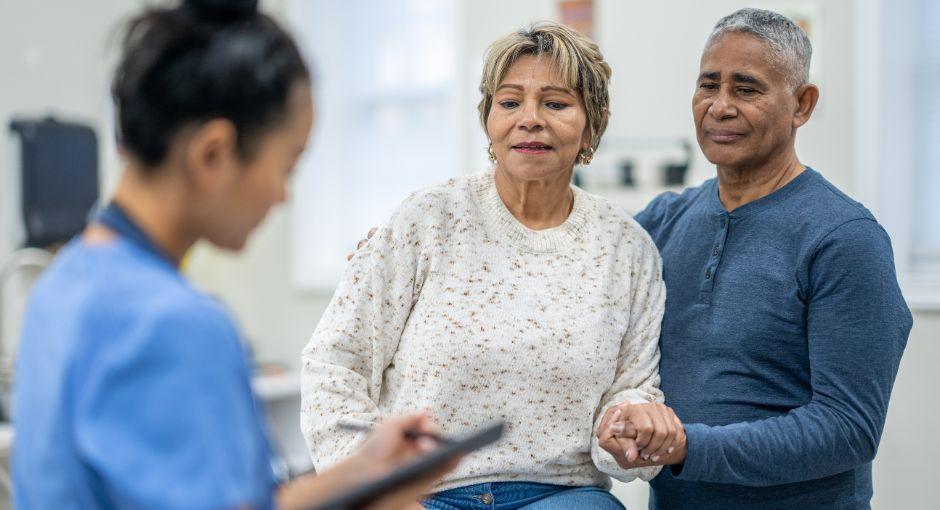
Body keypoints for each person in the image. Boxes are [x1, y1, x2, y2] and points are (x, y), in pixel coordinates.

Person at [12, 1, 458, 508]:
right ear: (214, 154)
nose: (282, 196)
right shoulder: (176, 325)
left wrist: (361, 474)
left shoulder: (61, 283)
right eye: (286, 167)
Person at [301, 22, 685, 510]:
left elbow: (631, 392)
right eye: (509, 102)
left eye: (556, 103)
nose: (530, 119)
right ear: (488, 118)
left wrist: (630, 427)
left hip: (558, 495)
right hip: (420, 494)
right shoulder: (427, 219)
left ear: (593, 123)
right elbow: (335, 363)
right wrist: (373, 491)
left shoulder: (628, 250)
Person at [602, 8, 913, 509]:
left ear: (802, 104)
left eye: (746, 89)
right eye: (709, 85)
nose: (720, 107)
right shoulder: (663, 222)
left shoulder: (846, 239)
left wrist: (687, 446)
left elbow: (849, 428)